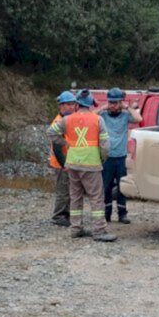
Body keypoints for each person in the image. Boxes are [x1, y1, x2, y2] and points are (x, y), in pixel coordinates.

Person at [48, 90, 115, 241]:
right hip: (91, 164)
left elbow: (51, 133)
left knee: (75, 196)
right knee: (96, 197)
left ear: (77, 104)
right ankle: (99, 230)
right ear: (91, 104)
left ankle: (75, 228)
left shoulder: (67, 120)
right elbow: (105, 145)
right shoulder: (97, 120)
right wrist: (102, 159)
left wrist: (66, 143)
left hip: (73, 164)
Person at [100, 88, 142, 223]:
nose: (113, 105)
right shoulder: (103, 116)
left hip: (121, 157)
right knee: (105, 187)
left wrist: (127, 107)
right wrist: (104, 107)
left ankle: (122, 214)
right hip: (107, 158)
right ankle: (106, 214)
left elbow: (138, 118)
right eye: (110, 102)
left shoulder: (125, 116)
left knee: (122, 186)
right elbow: (90, 115)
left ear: (120, 103)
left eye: (115, 102)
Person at [48, 91, 77, 226]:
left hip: (67, 161)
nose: (71, 107)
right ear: (61, 106)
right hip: (61, 163)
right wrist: (64, 165)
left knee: (69, 189)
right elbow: (57, 147)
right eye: (67, 105)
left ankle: (66, 214)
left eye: (72, 104)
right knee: (63, 191)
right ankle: (59, 216)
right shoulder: (59, 122)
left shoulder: (67, 120)